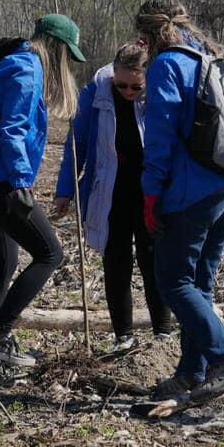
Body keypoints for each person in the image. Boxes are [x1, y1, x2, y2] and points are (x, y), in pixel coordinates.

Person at [0, 14, 84, 384]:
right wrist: (20, 182)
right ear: (56, 48)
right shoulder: (28, 69)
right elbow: (12, 129)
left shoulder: (12, 64)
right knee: (49, 254)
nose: (67, 64)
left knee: (4, 263)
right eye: (67, 55)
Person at [134, 0, 224, 403]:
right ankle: (190, 373)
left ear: (149, 34)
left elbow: (160, 139)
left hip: (191, 195)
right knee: (199, 285)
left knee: (173, 283)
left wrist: (150, 194)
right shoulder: (212, 59)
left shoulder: (168, 65)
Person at [53, 41, 173, 351]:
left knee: (154, 261)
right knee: (116, 262)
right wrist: (65, 190)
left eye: (136, 87)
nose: (129, 92)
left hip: (150, 192)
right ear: (113, 76)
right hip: (109, 190)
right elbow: (75, 145)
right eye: (122, 85)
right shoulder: (94, 93)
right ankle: (124, 336)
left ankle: (163, 332)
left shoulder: (157, 93)